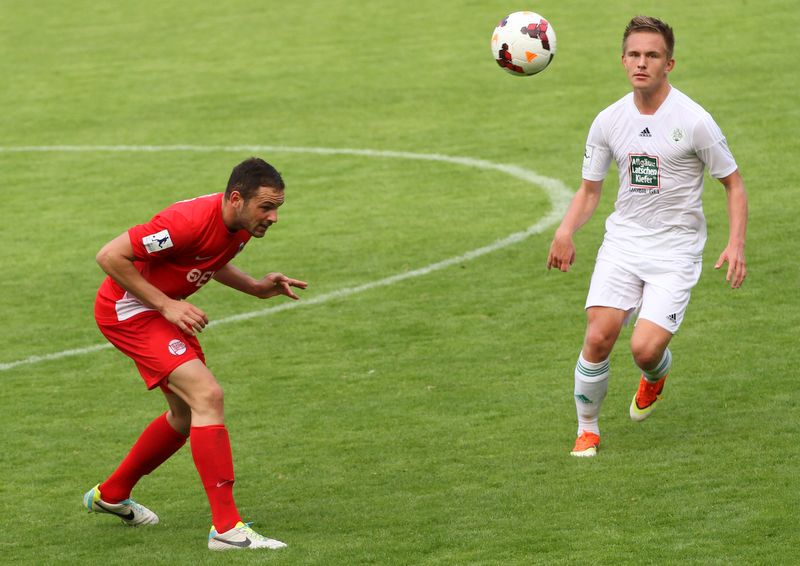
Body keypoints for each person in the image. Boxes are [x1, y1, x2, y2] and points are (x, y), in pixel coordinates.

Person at [546, 16, 748, 457]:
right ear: (622, 60)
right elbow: (589, 190)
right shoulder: (608, 120)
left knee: (644, 349)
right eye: (634, 55)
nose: (642, 63)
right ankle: (587, 429)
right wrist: (565, 229)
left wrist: (736, 243)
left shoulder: (694, 121)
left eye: (652, 55)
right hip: (624, 242)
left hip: (675, 249)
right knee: (599, 335)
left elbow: (733, 184)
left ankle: (655, 373)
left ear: (668, 64)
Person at [83, 157, 307, 550]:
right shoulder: (183, 223)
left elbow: (207, 257)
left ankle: (112, 493)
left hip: (161, 311)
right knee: (207, 396)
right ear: (236, 199)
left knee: (186, 414)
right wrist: (167, 304)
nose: (273, 217)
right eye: (266, 207)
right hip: (129, 311)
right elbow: (110, 256)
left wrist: (255, 287)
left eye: (277, 208)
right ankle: (227, 529)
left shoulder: (240, 226)